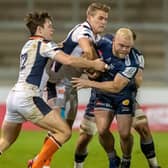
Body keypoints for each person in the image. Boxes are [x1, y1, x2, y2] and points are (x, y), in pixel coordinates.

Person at [0, 11, 108, 168]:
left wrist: (59, 47)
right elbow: (69, 60)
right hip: (29, 97)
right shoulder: (44, 44)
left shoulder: (27, 45)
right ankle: (36, 165)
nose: (52, 29)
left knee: (6, 140)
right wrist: (94, 64)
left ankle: (39, 163)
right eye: (49, 26)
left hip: (13, 97)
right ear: (39, 30)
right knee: (64, 132)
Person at [31, 2, 111, 168]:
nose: (103, 22)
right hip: (57, 81)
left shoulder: (95, 37)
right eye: (100, 18)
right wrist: (94, 68)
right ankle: (41, 164)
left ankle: (39, 159)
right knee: (60, 127)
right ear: (89, 17)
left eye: (106, 19)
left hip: (71, 84)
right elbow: (87, 51)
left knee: (66, 127)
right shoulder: (83, 30)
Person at [73, 31, 161, 168]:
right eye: (122, 46)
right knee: (99, 131)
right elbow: (86, 44)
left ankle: (129, 160)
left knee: (127, 133)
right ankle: (113, 158)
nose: (125, 50)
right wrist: (89, 63)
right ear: (114, 40)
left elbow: (117, 86)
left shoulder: (133, 60)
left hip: (123, 94)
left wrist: (89, 82)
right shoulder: (103, 41)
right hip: (102, 94)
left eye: (129, 46)